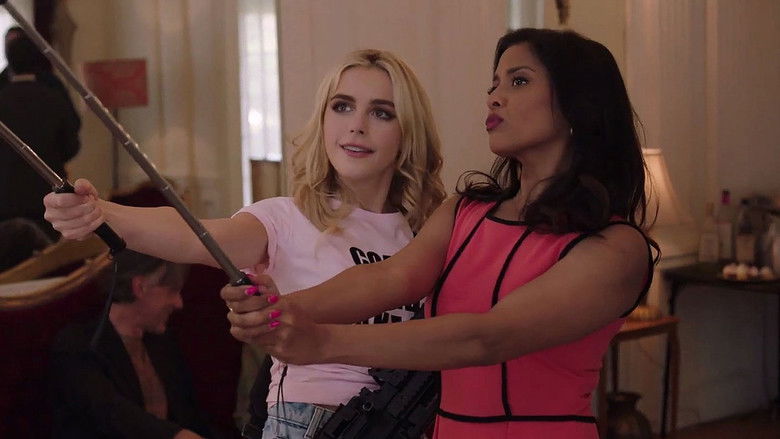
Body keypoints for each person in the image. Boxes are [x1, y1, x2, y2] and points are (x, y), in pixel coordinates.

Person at [221, 28, 660, 439]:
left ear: (578, 104)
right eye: (494, 84)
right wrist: (278, 309)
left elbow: (486, 338)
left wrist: (323, 341)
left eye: (519, 81)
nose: (494, 97)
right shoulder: (466, 210)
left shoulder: (616, 247)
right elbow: (390, 278)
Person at [42, 49, 446, 438]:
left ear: (408, 130)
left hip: (409, 423)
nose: (356, 125)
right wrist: (101, 212)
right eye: (342, 106)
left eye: (381, 112)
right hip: (311, 421)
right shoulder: (286, 217)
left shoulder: (428, 234)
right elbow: (195, 236)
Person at [50, 250, 212, 439]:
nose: (179, 303)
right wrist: (177, 436)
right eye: (172, 291)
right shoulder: (78, 346)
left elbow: (191, 418)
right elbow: (111, 414)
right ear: (140, 287)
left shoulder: (162, 343)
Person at [0, 32, 81, 240]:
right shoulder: (53, 97)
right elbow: (71, 146)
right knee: (48, 254)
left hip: (5, 195)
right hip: (46, 193)